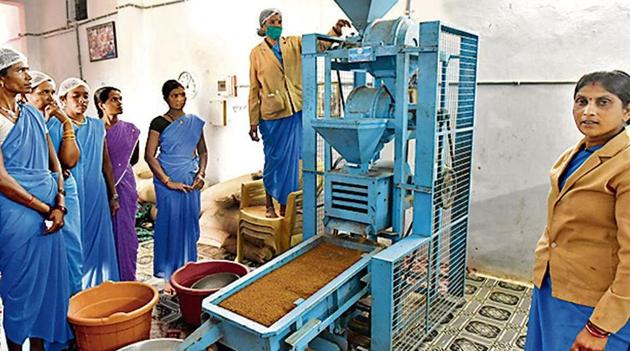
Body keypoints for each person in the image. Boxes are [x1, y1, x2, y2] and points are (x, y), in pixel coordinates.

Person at [526, 71, 630, 351]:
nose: (588, 111)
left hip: (594, 303)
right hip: (554, 285)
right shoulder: (579, 152)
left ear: (627, 111)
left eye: (603, 102)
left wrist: (600, 326)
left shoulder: (625, 164)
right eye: (581, 101)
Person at [0, 47, 72, 351]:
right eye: (20, 70)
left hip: (51, 209)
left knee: (47, 289)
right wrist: (45, 208)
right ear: (2, 79)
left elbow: (53, 161)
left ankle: (40, 348)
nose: (28, 76)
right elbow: (1, 178)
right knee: (20, 288)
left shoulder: (29, 112)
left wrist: (61, 201)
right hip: (18, 213)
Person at [248, 8, 350, 218]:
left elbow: (319, 44)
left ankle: (287, 206)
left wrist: (334, 30)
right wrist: (252, 122)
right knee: (273, 160)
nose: (277, 25)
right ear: (263, 26)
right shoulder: (256, 53)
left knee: (293, 160)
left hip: (296, 109)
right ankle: (269, 204)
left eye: (280, 21)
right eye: (273, 22)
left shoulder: (293, 43)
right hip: (272, 115)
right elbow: (253, 89)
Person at [56, 77, 120, 288]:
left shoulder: (96, 125)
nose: (82, 100)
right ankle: (78, 295)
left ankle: (103, 291)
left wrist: (113, 194)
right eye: (76, 96)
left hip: (96, 193)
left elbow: (106, 163)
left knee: (100, 245)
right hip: (70, 196)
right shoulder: (55, 126)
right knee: (74, 245)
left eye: (85, 96)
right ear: (63, 99)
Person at [145, 79, 207, 291]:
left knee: (189, 223)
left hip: (190, 180)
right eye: (174, 95)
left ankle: (188, 269)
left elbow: (203, 152)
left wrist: (201, 173)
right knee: (169, 223)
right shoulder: (159, 123)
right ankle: (169, 275)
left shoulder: (194, 122)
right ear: (166, 98)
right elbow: (149, 155)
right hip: (168, 181)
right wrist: (167, 181)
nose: (180, 99)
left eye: (182, 94)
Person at [25, 71, 84, 295]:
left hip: (64, 189)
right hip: (34, 191)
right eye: (43, 92)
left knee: (71, 247)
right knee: (42, 252)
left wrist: (67, 124)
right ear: (26, 96)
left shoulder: (57, 123)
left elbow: (68, 161)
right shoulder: (22, 123)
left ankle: (74, 299)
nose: (49, 98)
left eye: (51, 92)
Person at [94, 86, 141, 281]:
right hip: (100, 186)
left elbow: (134, 159)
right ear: (101, 105)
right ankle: (109, 279)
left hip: (125, 185)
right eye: (114, 99)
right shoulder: (93, 130)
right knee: (105, 234)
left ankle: (128, 277)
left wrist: (119, 170)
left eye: (120, 99)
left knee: (127, 233)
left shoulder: (130, 129)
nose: (119, 103)